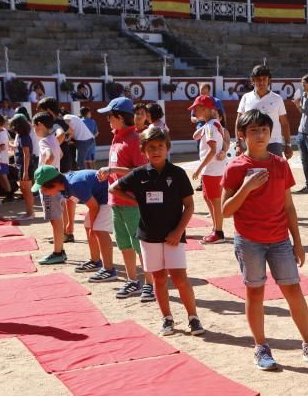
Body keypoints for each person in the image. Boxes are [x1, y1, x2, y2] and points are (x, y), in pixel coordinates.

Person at [221, 109, 308, 371]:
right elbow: (224, 210)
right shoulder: (235, 167)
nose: (260, 135)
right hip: (249, 241)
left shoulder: (279, 164)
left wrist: (298, 242)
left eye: (264, 130)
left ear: (271, 133)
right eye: (254, 131)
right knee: (255, 293)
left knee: (294, 291)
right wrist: (247, 188)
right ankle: (260, 347)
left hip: (280, 240)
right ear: (242, 135)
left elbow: (289, 207)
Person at [111, 126, 204, 336]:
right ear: (143, 150)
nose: (156, 151)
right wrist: (137, 200)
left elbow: (189, 206)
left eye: (160, 146)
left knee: (180, 278)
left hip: (174, 236)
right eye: (151, 147)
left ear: (167, 148)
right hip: (148, 236)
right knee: (159, 279)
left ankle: (193, 317)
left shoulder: (178, 174)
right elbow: (113, 188)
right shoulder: (139, 174)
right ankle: (167, 319)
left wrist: (178, 232)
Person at [95, 97, 154, 303]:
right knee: (124, 243)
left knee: (140, 245)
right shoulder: (117, 137)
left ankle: (150, 284)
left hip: (132, 202)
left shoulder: (135, 139)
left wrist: (111, 170)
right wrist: (108, 173)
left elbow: (141, 171)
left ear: (119, 117)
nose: (107, 120)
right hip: (116, 200)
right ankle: (133, 280)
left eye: (110, 116)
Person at [32, 165, 117, 282]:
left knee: (99, 230)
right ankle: (95, 261)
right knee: (88, 226)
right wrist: (70, 223)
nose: (42, 191)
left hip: (109, 197)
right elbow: (71, 200)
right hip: (99, 199)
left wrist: (93, 227)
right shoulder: (64, 184)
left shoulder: (75, 184)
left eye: (43, 188)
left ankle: (109, 270)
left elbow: (94, 207)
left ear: (53, 184)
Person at [189, 95, 228, 244]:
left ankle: (218, 232)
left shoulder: (211, 125)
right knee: (209, 198)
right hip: (212, 169)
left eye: (196, 109)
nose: (194, 112)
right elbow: (195, 136)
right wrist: (203, 124)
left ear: (205, 109)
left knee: (215, 201)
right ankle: (216, 228)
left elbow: (212, 150)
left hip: (212, 170)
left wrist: (199, 168)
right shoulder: (212, 124)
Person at [32, 112, 69, 264]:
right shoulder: (53, 139)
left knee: (55, 219)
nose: (33, 129)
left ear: (40, 125)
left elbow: (51, 157)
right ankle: (60, 250)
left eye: (34, 126)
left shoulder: (43, 141)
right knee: (57, 218)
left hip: (49, 185)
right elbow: (58, 155)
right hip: (56, 183)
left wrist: (44, 175)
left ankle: (58, 252)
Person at [236, 65, 292, 159]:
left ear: (269, 80)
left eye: (264, 79)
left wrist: (288, 144)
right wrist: (238, 143)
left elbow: (284, 123)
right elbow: (238, 121)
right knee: (253, 172)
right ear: (253, 81)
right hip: (251, 142)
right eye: (258, 79)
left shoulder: (277, 99)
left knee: (275, 172)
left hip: (273, 142)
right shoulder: (246, 98)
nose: (261, 82)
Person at [8, 114, 36, 217]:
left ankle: (30, 213)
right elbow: (18, 147)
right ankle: (29, 212)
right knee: (24, 190)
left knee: (27, 191)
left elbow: (27, 155)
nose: (12, 128)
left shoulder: (24, 137)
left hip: (25, 166)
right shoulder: (21, 136)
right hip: (22, 166)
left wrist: (25, 171)